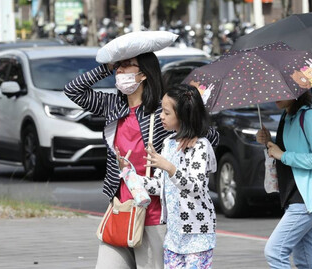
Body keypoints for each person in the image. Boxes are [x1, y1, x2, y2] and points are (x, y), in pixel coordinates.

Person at [64, 53, 218, 269]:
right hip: (121, 208)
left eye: (126, 65)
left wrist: (191, 134)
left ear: (143, 74)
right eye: (118, 65)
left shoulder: (161, 111)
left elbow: (209, 134)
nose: (120, 70)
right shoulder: (113, 105)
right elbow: (73, 90)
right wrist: (105, 67)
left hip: (152, 214)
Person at [117, 84, 216, 269]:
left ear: (183, 115)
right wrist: (128, 173)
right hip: (173, 234)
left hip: (197, 232)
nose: (161, 116)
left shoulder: (201, 146)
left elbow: (195, 187)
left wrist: (169, 168)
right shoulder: (168, 143)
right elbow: (159, 186)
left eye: (166, 112)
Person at [256, 91, 312, 268]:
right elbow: (289, 150)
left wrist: (283, 155)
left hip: (308, 198)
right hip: (295, 196)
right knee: (305, 261)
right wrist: (269, 141)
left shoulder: (309, 116)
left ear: (296, 91)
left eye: (281, 91)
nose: (275, 95)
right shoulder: (288, 115)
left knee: (275, 251)